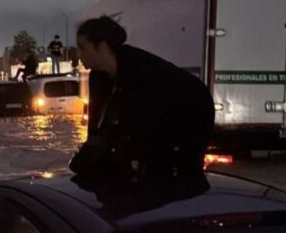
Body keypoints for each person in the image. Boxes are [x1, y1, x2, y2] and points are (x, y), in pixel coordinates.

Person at [69, 16, 215, 180]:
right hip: (160, 120)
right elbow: (96, 128)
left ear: (102, 47)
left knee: (164, 173)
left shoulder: (141, 72)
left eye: (82, 48)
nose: (78, 54)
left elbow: (139, 129)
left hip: (193, 114)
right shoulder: (97, 76)